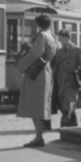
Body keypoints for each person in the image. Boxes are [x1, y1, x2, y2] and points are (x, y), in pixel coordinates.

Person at [16, 13, 57, 147]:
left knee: (35, 104)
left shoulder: (42, 35)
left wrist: (21, 64)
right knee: (41, 103)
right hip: (46, 70)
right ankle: (38, 136)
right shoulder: (52, 37)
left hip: (37, 72)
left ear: (38, 24)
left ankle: (38, 137)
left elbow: (35, 54)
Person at [52, 29, 81, 127]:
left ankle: (65, 121)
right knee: (63, 101)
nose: (59, 41)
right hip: (61, 81)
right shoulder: (59, 52)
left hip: (72, 80)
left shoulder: (77, 50)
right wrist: (52, 78)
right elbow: (56, 66)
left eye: (61, 39)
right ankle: (73, 122)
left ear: (67, 38)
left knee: (69, 101)